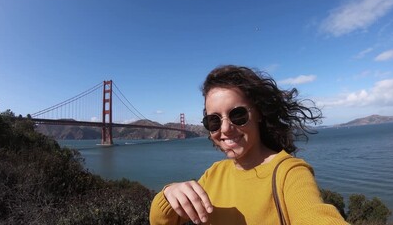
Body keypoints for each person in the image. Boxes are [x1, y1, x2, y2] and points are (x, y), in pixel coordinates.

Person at [149, 65, 348, 225]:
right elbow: (160, 221)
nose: (225, 128)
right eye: (214, 120)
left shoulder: (290, 174)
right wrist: (169, 193)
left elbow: (313, 214)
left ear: (259, 113)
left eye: (238, 115)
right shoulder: (214, 174)